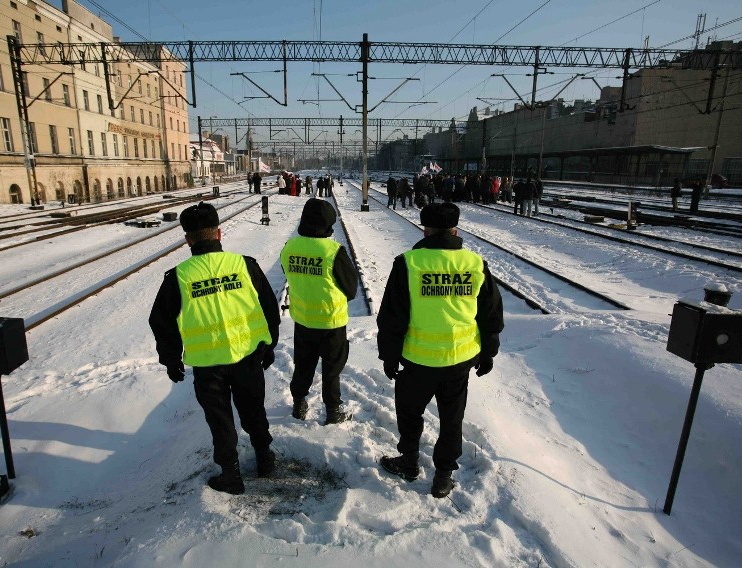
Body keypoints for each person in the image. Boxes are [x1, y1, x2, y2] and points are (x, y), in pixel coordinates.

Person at [148, 202, 280, 495]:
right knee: (254, 411)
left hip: (209, 367)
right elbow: (270, 307)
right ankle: (265, 459)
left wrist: (171, 360)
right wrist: (269, 344)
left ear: (187, 240)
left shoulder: (179, 277)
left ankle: (231, 477)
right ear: (219, 234)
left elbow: (161, 322)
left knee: (220, 422)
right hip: (247, 357)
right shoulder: (245, 265)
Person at [376, 202, 504, 499]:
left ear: (426, 229)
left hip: (417, 360)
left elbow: (392, 316)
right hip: (458, 360)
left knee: (409, 413)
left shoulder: (408, 263)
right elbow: (490, 313)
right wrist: (489, 351)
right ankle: (443, 476)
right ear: (455, 230)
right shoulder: (474, 263)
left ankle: (409, 462)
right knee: (452, 418)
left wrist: (389, 354)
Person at [280, 200, 358, 425]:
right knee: (332, 369)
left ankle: (298, 403)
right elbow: (351, 288)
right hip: (331, 322)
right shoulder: (333, 251)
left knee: (303, 364)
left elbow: (289, 274)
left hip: (303, 320)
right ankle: (333, 410)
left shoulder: (289, 247)